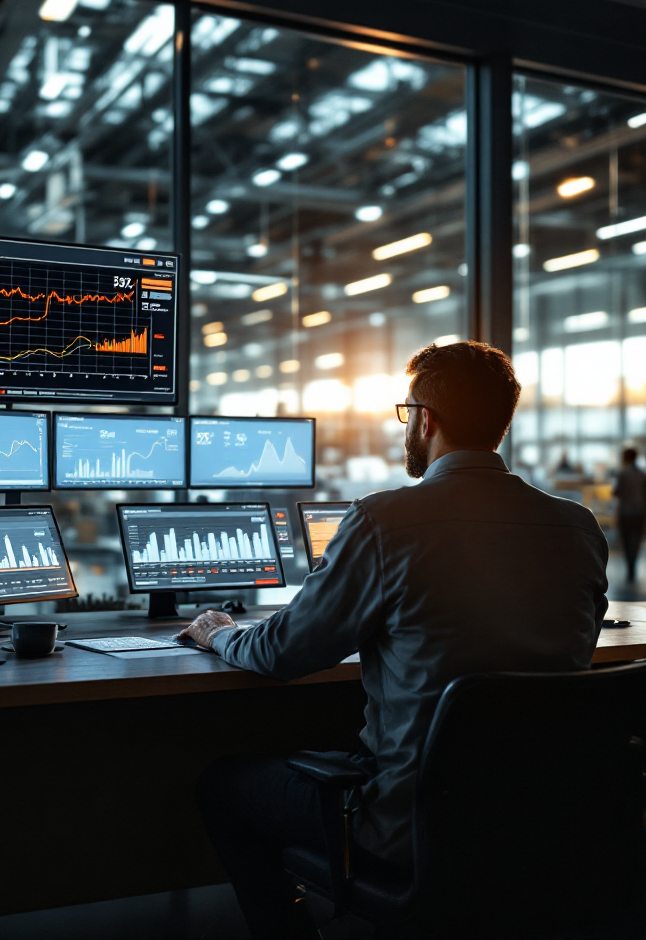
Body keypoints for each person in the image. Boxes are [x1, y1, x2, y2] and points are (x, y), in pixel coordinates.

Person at [180, 341, 607, 940]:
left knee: (223, 784)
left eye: (408, 413)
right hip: (543, 814)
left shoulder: (385, 520)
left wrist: (219, 633)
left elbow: (280, 653)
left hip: (407, 824)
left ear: (426, 419)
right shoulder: (577, 525)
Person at [613, 446, 646, 585]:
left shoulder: (623, 474)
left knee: (626, 541)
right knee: (636, 540)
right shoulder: (642, 474)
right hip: (639, 512)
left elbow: (616, 492)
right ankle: (633, 565)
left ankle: (630, 568)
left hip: (625, 512)